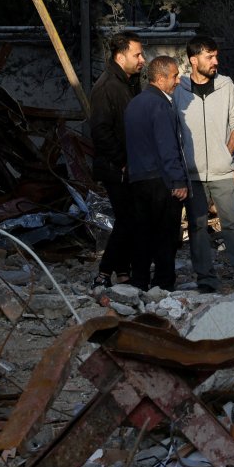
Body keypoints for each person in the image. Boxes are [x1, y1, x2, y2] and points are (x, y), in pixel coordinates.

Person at [174, 35, 234, 291]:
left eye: (216, 56)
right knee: (198, 227)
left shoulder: (226, 84)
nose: (215, 61)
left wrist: (227, 151)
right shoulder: (178, 88)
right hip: (192, 174)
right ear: (193, 59)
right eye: (209, 57)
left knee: (232, 223)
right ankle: (206, 279)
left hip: (222, 171)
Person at [124, 56, 189, 291]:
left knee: (142, 233)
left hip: (138, 179)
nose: (178, 81)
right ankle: (163, 283)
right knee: (165, 234)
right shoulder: (161, 105)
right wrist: (178, 180)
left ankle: (139, 280)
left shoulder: (135, 103)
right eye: (174, 76)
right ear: (160, 78)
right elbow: (167, 146)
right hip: (159, 180)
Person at [87, 32, 144, 288]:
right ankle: (104, 272)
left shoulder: (129, 82)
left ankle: (123, 270)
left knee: (129, 218)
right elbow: (100, 130)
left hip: (128, 165)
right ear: (121, 57)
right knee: (128, 219)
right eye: (137, 54)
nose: (142, 59)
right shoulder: (107, 86)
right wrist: (122, 161)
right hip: (116, 167)